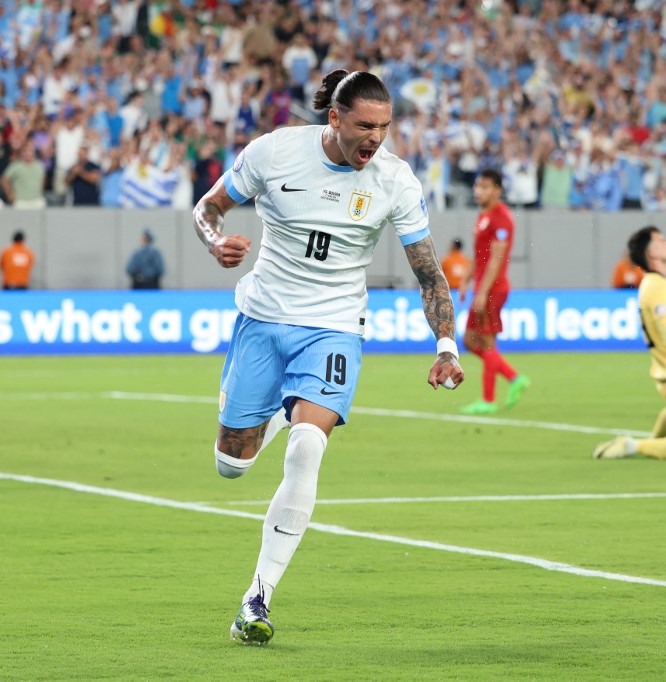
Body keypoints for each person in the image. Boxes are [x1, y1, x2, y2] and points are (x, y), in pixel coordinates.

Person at [192, 69, 463, 645]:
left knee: (309, 445)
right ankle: (271, 416)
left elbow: (429, 274)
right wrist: (216, 241)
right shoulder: (274, 152)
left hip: (335, 327)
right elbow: (208, 208)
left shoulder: (395, 180)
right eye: (365, 126)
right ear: (334, 118)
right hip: (264, 320)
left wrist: (446, 346)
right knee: (230, 464)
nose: (375, 139)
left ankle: (257, 597)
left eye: (384, 128)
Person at [592, 226, 666, 461]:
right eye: (662, 240)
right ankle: (632, 446)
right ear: (653, 254)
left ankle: (652, 442)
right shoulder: (658, 289)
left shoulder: (654, 285)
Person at [457, 168, 530, 415]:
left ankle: (488, 400)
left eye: (485, 187)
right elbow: (479, 255)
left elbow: (496, 260)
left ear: (498, 190)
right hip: (482, 287)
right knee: (469, 340)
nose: (479, 191)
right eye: (478, 186)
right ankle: (514, 377)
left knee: (487, 344)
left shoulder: (502, 218)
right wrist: (466, 281)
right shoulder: (483, 216)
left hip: (493, 289)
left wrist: (482, 292)